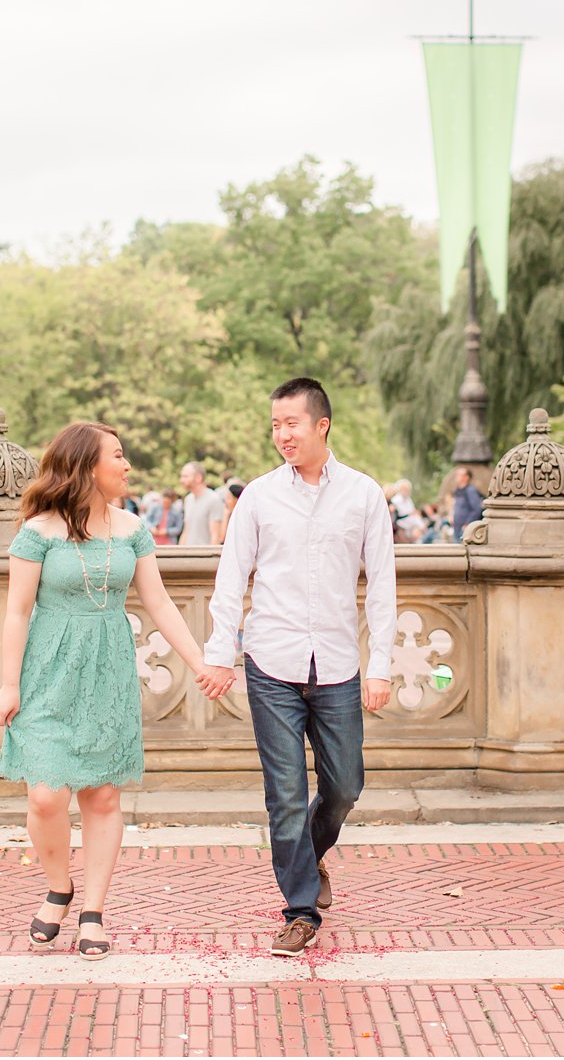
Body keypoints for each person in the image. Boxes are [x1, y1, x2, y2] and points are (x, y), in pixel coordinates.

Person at [0, 422, 213, 960]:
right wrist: (7, 684)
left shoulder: (132, 528)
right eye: (118, 456)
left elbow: (159, 604)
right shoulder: (38, 531)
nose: (127, 465)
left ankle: (92, 910)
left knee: (103, 794)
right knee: (46, 795)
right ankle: (58, 885)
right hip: (48, 672)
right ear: (87, 465)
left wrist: (200, 662)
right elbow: (17, 612)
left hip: (107, 669)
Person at [198, 378, 396, 957]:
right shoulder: (259, 497)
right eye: (275, 425)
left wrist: (380, 664)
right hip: (271, 662)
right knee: (284, 793)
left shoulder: (363, 495)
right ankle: (301, 908)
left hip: (336, 664)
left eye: (292, 423)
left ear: (321, 425)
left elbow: (381, 585)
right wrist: (219, 654)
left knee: (345, 787)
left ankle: (308, 858)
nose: (282, 434)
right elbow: (230, 579)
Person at [179, 462, 225, 545]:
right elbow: (186, 531)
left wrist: (210, 557)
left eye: (185, 476)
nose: (181, 480)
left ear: (198, 478)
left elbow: (215, 536)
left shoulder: (214, 499)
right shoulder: (188, 499)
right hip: (188, 555)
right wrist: (177, 555)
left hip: (204, 556)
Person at [451, 466, 484, 542]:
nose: (457, 477)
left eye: (459, 475)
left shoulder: (470, 490)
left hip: (464, 529)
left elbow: (477, 509)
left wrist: (467, 524)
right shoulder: (458, 491)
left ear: (466, 477)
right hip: (457, 527)